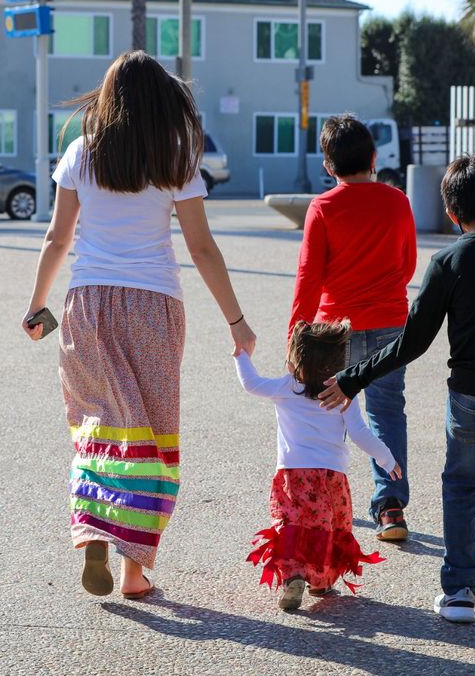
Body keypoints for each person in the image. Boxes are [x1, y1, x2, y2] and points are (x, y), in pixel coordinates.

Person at [320, 154, 475, 658]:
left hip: (471, 401)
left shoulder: (449, 262)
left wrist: (352, 378)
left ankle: (460, 590)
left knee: (461, 489)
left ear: (453, 215)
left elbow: (410, 342)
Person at [22, 51, 255, 600]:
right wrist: (237, 320)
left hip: (86, 304)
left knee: (97, 427)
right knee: (149, 436)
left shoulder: (81, 152)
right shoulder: (176, 157)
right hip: (154, 307)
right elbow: (200, 247)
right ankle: (133, 571)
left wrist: (36, 306)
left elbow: (57, 239)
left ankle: (93, 529)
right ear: (160, 102)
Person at [288, 114, 417, 542]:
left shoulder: (322, 208)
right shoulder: (398, 201)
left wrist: (295, 337)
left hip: (333, 330)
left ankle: (319, 504)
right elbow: (407, 264)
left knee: (324, 414)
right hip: (389, 325)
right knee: (384, 412)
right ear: (374, 157)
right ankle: (390, 506)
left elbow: (308, 277)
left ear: (329, 166)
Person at [235, 320, 402, 611]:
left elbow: (251, 383)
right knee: (326, 525)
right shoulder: (343, 394)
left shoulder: (287, 387)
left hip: (293, 473)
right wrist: (387, 459)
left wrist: (241, 355)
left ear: (294, 359)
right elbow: (362, 434)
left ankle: (294, 577)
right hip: (332, 475)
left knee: (293, 525)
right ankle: (321, 580)